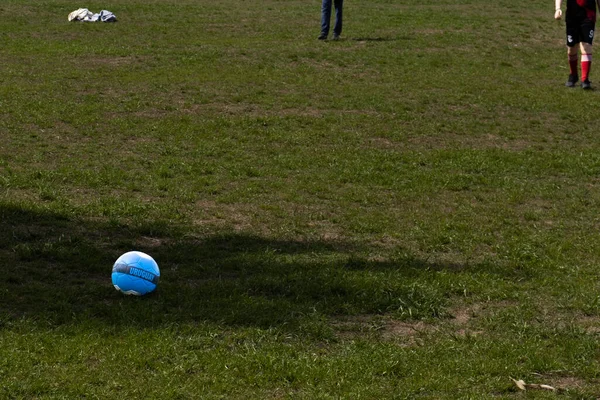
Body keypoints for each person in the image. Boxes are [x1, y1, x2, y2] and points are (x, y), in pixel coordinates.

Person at [554, 0, 600, 89]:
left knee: (586, 46)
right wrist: (558, 8)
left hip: (588, 16)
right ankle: (573, 75)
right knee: (572, 48)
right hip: (572, 17)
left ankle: (585, 79)